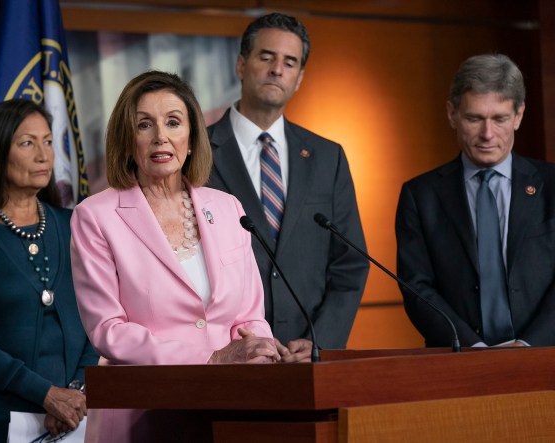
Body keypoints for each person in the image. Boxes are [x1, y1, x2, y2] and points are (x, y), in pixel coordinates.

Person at [71, 71, 279, 442]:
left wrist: (259, 350)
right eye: (144, 125)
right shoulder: (95, 216)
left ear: (192, 136)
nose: (160, 137)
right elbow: (108, 329)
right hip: (143, 412)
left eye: (173, 122)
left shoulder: (228, 208)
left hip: (230, 409)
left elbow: (250, 316)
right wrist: (209, 359)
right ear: (127, 139)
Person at [206, 13, 370, 351]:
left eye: (289, 62)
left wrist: (319, 344)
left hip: (306, 356)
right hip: (227, 354)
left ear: (299, 79)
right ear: (241, 65)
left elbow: (350, 263)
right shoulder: (197, 153)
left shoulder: (328, 157)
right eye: (266, 57)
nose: (277, 69)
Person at [0, 99, 98, 441]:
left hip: (75, 417)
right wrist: (47, 395)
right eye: (27, 143)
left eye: (48, 141)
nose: (43, 155)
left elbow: (97, 318)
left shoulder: (74, 225)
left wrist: (75, 393)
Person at [396, 54, 555, 347]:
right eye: (474, 118)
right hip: (460, 359)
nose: (487, 134)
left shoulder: (551, 186)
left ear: (519, 116)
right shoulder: (420, 196)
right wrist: (473, 350)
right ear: (452, 114)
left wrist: (528, 346)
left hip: (545, 356)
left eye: (500, 119)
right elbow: (417, 287)